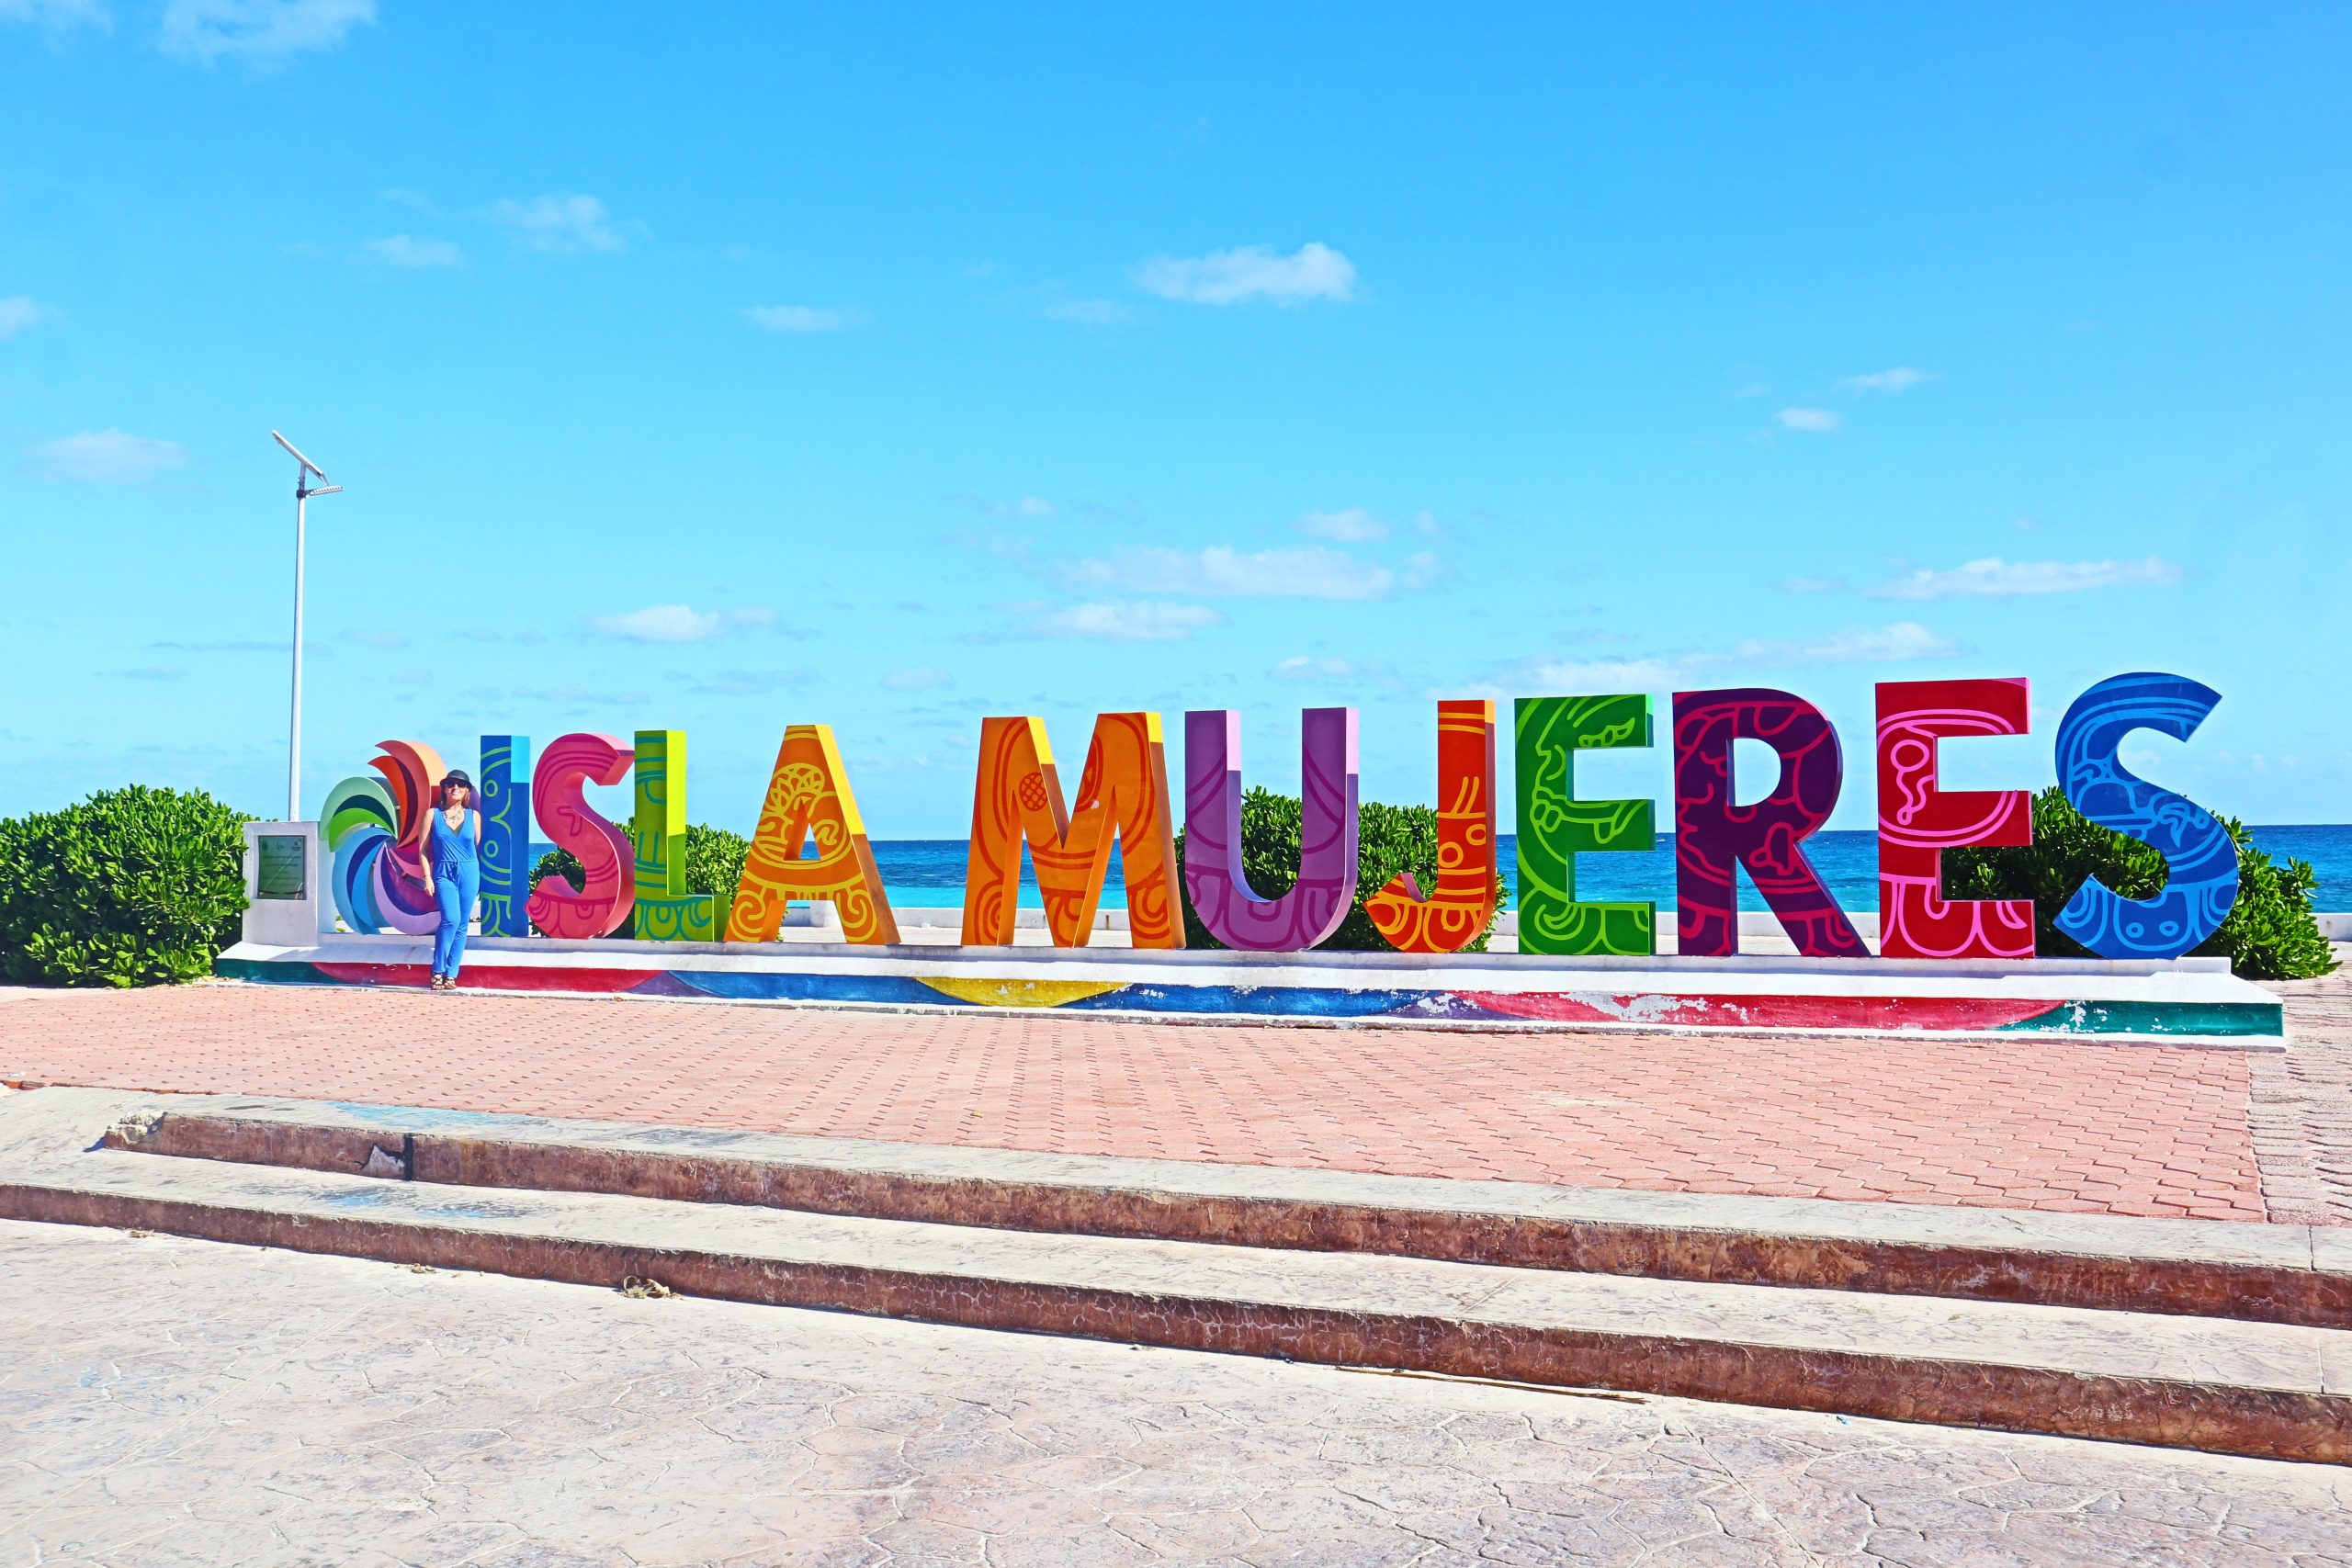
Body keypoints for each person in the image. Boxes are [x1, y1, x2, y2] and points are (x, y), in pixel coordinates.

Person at [425, 770, 482, 990]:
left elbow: (475, 847)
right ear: (445, 788)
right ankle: (437, 970)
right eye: (451, 784)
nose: (455, 787)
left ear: (467, 790)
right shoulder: (432, 815)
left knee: (462, 925)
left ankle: (452, 974)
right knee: (450, 919)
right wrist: (427, 876)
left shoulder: (474, 816)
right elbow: (423, 849)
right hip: (443, 871)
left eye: (460, 784)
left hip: (469, 871)